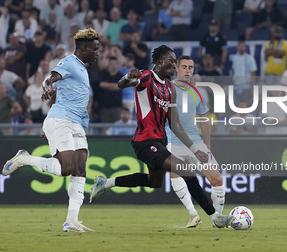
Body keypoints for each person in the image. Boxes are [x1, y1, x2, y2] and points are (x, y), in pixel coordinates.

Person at [89, 45, 232, 228]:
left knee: (154, 182)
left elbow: (175, 125)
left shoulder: (170, 89)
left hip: (160, 141)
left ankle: (105, 183)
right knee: (185, 170)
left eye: (175, 62)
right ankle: (215, 218)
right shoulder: (146, 77)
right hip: (144, 141)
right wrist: (127, 77)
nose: (174, 66)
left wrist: (195, 149)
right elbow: (121, 85)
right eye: (171, 61)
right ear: (159, 61)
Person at [2, 28, 100, 232]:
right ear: (83, 49)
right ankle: (25, 158)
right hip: (62, 120)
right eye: (95, 49)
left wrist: (54, 95)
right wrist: (47, 87)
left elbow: (64, 91)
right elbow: (50, 77)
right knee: (66, 168)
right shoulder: (69, 62)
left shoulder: (82, 68)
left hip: (77, 124)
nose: (97, 52)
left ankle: (71, 221)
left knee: (80, 169)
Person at [166, 55, 226, 228]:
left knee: (217, 180)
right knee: (175, 173)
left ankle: (218, 219)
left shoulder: (198, 91)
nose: (187, 70)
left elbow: (204, 119)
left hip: (195, 141)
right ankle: (193, 214)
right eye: (184, 67)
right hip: (172, 140)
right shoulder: (167, 88)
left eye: (190, 67)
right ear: (176, 69)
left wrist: (207, 145)